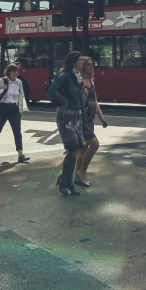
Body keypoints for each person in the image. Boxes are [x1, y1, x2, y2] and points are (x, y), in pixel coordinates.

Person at [47, 51, 87, 196]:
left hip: (77, 117)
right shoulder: (65, 75)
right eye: (80, 60)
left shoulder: (79, 77)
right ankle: (66, 181)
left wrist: (85, 120)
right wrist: (62, 101)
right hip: (65, 117)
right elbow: (51, 90)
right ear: (74, 62)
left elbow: (81, 100)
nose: (82, 62)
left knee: (77, 149)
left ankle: (65, 179)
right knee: (73, 149)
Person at [0, 64, 31, 163]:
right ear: (9, 72)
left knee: (17, 131)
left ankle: (20, 154)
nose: (16, 73)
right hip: (3, 108)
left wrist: (21, 108)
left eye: (17, 71)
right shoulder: (2, 81)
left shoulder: (19, 82)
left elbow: (21, 95)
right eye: (14, 71)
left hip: (14, 108)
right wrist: (3, 90)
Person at [74, 58, 109, 187]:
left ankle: (77, 174)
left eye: (91, 64)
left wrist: (101, 118)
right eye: (88, 65)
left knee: (83, 148)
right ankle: (82, 171)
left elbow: (94, 101)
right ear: (82, 66)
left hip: (90, 118)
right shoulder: (79, 82)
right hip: (81, 119)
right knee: (94, 144)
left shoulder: (91, 82)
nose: (91, 67)